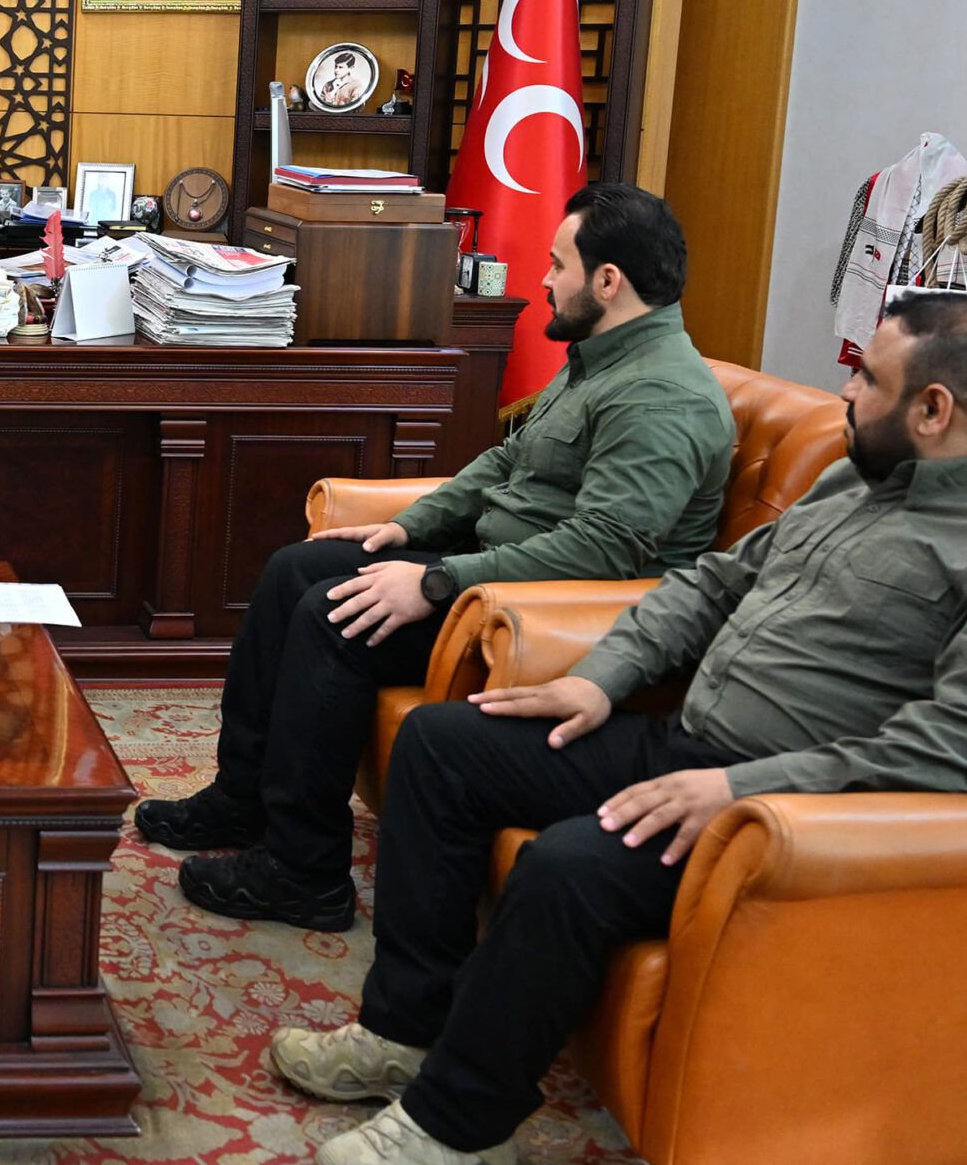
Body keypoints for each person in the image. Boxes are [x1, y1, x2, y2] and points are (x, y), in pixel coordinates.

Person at [275, 292, 967, 1165]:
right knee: (446, 746)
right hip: (690, 747)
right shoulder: (861, 479)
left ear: (934, 409)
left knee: (570, 865)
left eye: (867, 377)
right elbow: (713, 585)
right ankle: (405, 1031)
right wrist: (602, 678)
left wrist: (736, 789)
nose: (845, 391)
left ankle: (462, 1128)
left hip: (791, 821)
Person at [135, 184, 734, 928]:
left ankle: (303, 870)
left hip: (546, 615)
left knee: (333, 616)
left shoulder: (663, 396)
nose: (543, 280)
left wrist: (438, 580)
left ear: (608, 281)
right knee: (296, 570)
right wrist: (409, 528)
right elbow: (507, 463)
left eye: (558, 265)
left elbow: (604, 549)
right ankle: (242, 800)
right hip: (494, 571)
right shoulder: (602, 359)